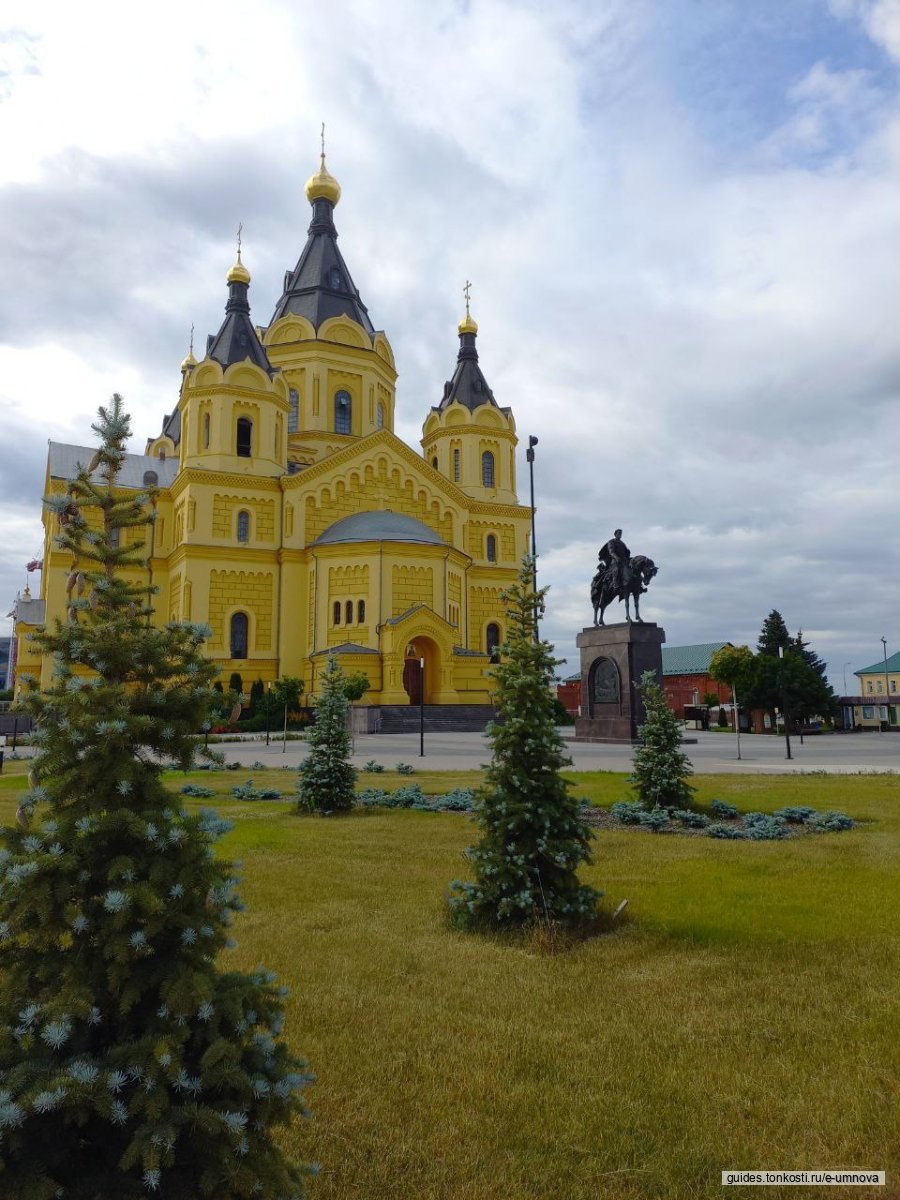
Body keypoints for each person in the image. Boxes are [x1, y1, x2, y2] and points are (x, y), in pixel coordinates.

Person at [602, 528, 630, 594]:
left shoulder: (622, 543)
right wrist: (616, 558)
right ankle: (615, 585)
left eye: (621, 534)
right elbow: (611, 551)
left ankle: (639, 585)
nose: (620, 535)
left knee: (632, 568)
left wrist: (628, 553)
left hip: (623, 560)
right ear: (615, 534)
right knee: (616, 569)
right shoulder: (611, 541)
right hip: (614, 560)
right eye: (619, 534)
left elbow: (626, 552)